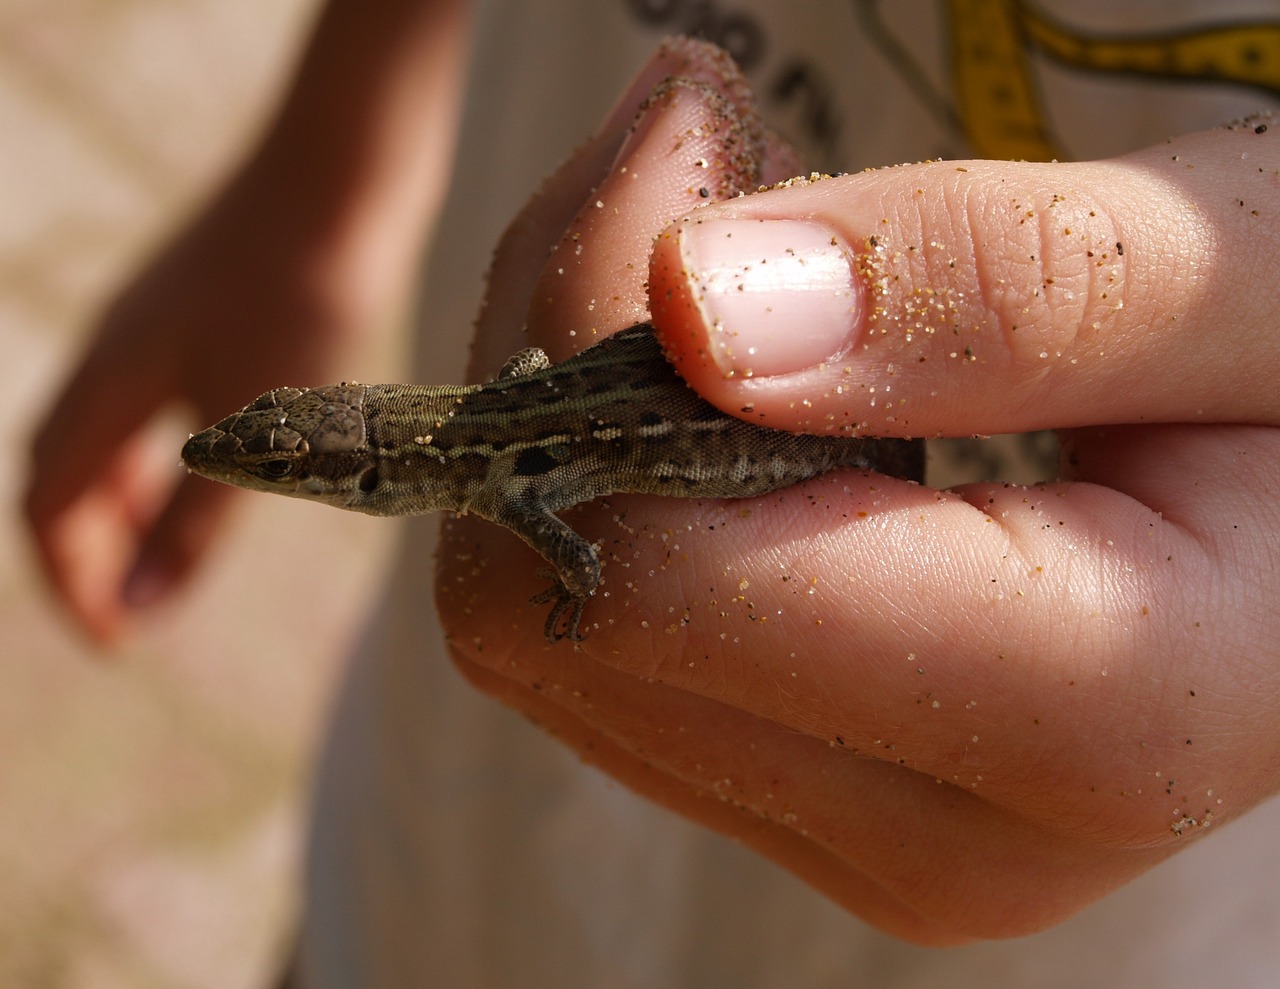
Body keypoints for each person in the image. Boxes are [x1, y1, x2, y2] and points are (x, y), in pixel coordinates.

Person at [26, 1, 1280, 985]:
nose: (262, 466)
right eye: (275, 455)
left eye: (283, 463)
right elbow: (528, 387)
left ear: (371, 475)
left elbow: (572, 551)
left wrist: (576, 581)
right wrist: (325, 170)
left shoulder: (510, 494)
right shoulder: (493, 465)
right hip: (424, 883)